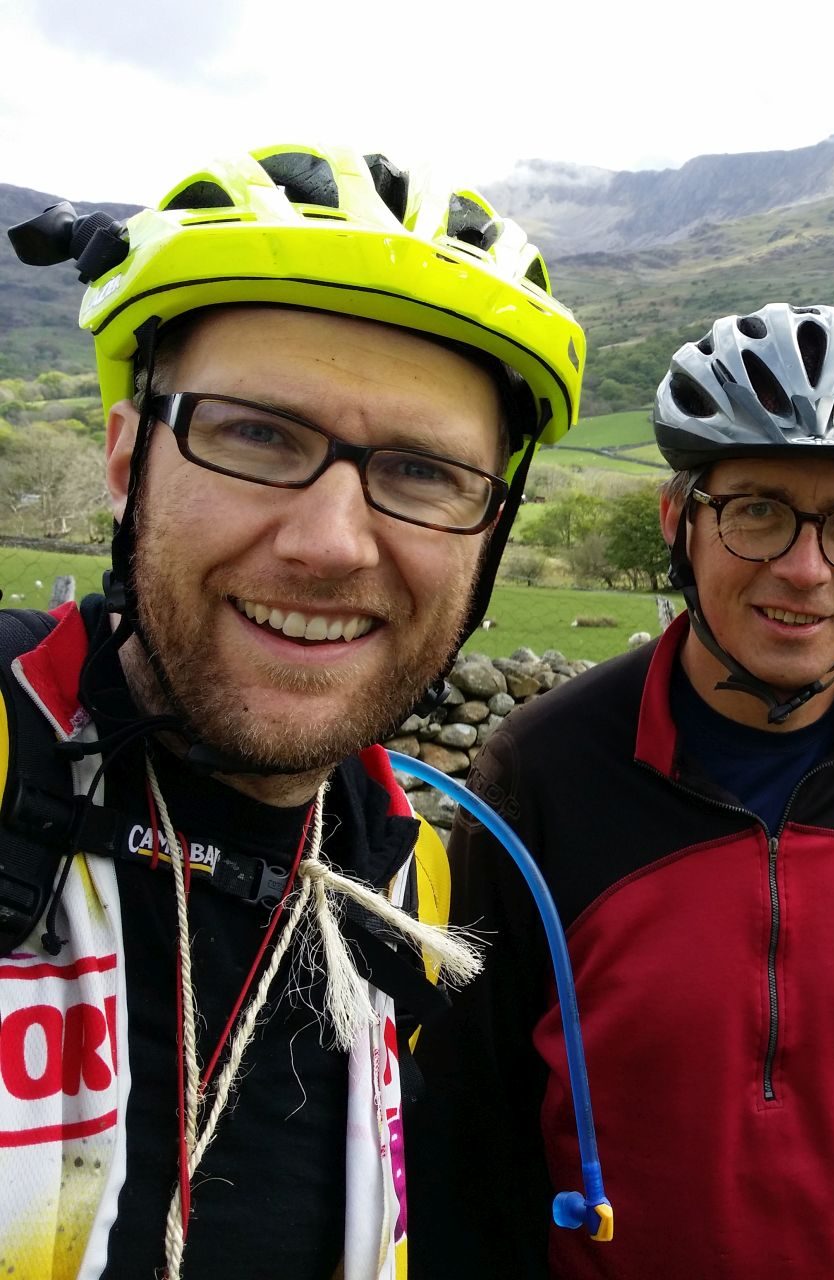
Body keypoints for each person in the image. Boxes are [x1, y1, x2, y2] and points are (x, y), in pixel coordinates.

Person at [0, 144, 585, 1279]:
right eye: (257, 433)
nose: (328, 541)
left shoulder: (401, 880)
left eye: (422, 472)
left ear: (491, 536)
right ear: (128, 458)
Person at [411, 302, 834, 1279]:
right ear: (678, 520)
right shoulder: (540, 769)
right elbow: (465, 1140)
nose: (806, 567)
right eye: (758, 510)